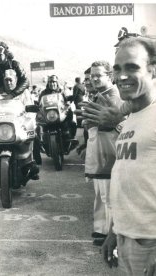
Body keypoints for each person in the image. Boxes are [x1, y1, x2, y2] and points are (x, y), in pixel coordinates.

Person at [86, 37, 156, 275]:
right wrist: (113, 233)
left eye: (132, 67)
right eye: (117, 69)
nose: (122, 76)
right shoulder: (131, 118)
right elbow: (128, 181)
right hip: (127, 239)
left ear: (152, 70)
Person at [84, 60, 123, 247]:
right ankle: (100, 230)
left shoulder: (113, 96)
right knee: (100, 194)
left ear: (110, 76)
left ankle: (110, 233)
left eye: (99, 75)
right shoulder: (99, 95)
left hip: (109, 153)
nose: (94, 78)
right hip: (99, 152)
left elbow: (118, 124)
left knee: (108, 196)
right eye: (92, 75)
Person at [0, 69, 39, 180]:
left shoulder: (24, 93)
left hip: (18, 127)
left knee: (34, 135)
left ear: (16, 80)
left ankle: (33, 162)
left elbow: (30, 111)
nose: (8, 82)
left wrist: (28, 123)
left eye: (10, 80)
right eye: (6, 80)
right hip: (0, 127)